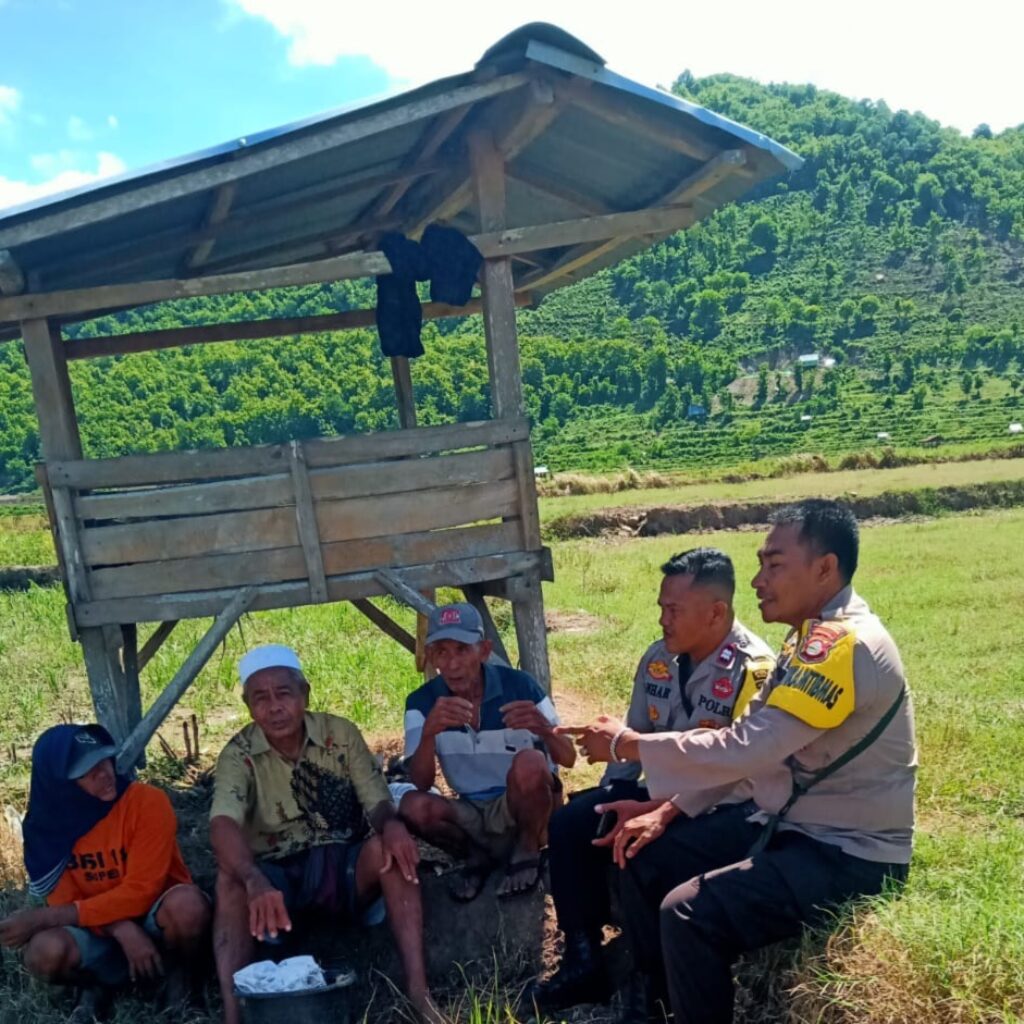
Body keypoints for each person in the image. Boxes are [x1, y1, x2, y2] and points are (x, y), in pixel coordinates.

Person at [562, 500, 917, 1024]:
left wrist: (629, 745)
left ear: (825, 568)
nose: (757, 581)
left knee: (687, 912)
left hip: (848, 853)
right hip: (793, 831)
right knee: (648, 858)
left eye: (775, 564)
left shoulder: (842, 645)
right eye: (760, 564)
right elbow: (745, 747)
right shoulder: (807, 640)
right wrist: (670, 809)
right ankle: (651, 1004)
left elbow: (747, 748)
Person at [530, 547, 775, 1012]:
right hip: (662, 790)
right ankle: (583, 961)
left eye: (674, 610)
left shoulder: (753, 670)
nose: (663, 619)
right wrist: (610, 796)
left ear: (716, 612)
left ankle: (650, 988)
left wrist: (662, 810)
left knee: (647, 851)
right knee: (573, 822)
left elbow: (741, 772)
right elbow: (632, 743)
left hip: (722, 803)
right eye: (662, 607)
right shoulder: (658, 659)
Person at [209, 645, 440, 1024]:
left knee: (390, 850)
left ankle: (419, 993)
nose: (274, 707)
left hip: (342, 865)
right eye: (260, 698)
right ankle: (234, 1015)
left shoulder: (340, 734)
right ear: (248, 706)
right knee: (229, 879)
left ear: (305, 694)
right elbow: (222, 824)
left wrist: (393, 825)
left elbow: (377, 801)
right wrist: (252, 878)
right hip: (277, 876)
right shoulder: (238, 753)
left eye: (284, 693)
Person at [0, 724, 210, 1021]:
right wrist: (121, 929)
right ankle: (96, 985)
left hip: (157, 918)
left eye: (104, 761)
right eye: (87, 772)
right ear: (60, 783)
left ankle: (180, 981)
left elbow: (141, 891)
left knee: (187, 907)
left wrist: (43, 918)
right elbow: (65, 901)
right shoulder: (45, 831)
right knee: (44, 953)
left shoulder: (146, 802)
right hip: (97, 930)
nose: (104, 774)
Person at [398, 603, 576, 901]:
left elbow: (569, 758)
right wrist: (429, 734)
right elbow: (421, 783)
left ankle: (528, 848)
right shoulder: (422, 702)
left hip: (522, 806)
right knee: (412, 805)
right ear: (430, 657)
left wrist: (544, 729)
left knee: (531, 762)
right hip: (473, 812)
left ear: (483, 650)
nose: (452, 664)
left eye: (461, 650)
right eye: (441, 652)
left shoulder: (520, 686)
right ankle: (475, 856)